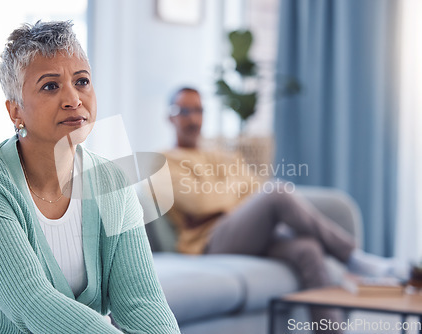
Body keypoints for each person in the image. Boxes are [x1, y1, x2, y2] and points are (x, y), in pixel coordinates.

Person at [0, 21, 180, 334]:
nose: (74, 99)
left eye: (82, 81)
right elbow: (33, 304)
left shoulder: (112, 183)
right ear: (15, 112)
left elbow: (143, 302)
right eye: (51, 86)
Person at [162, 86, 404, 333]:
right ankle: (353, 257)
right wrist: (234, 190)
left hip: (248, 232)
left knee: (308, 249)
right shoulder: (164, 162)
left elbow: (254, 185)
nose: (193, 118)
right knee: (278, 192)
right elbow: (203, 202)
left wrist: (227, 192)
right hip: (211, 241)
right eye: (184, 111)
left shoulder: (219, 155)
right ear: (170, 117)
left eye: (199, 110)